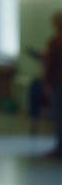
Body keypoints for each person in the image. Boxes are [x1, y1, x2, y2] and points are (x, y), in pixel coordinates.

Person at [43, 11, 62, 158]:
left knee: (59, 116)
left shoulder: (55, 41)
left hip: (58, 83)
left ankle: (59, 149)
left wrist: (47, 83)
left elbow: (50, 66)